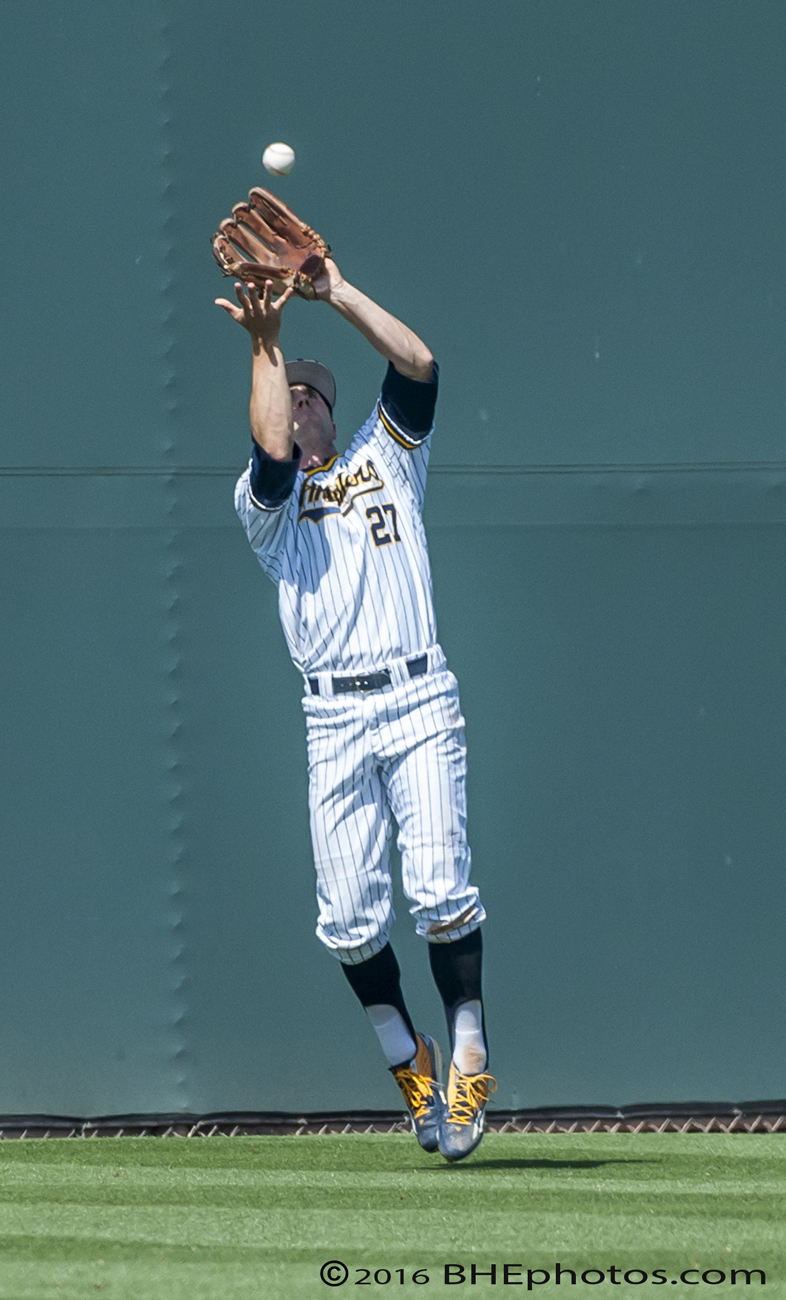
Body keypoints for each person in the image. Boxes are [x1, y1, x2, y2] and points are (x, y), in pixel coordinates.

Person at [215, 257, 494, 1161]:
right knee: (348, 922)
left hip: (417, 695)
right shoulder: (266, 507)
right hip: (333, 719)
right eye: (286, 394)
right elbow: (268, 456)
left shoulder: (387, 458)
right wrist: (265, 345)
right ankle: (408, 1061)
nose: (298, 403)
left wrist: (333, 291)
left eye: (312, 396)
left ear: (335, 415)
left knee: (441, 893)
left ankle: (468, 1051)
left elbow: (419, 365)